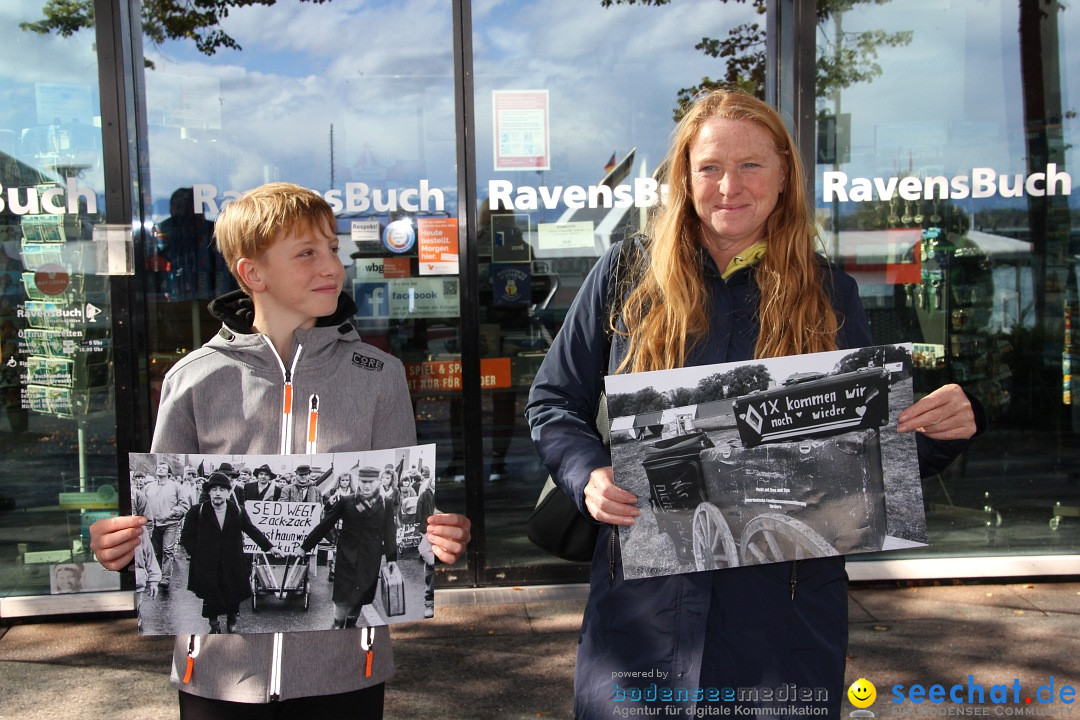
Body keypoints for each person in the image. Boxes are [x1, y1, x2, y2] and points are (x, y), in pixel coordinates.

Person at [525, 88, 985, 720]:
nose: (728, 186)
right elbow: (553, 401)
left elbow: (864, 451)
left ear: (783, 176)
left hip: (784, 605)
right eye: (710, 166)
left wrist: (942, 430)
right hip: (644, 602)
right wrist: (586, 475)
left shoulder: (828, 292)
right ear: (685, 178)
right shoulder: (627, 274)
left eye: (751, 166)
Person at [89, 182, 471, 719]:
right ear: (253, 274)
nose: (331, 266)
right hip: (218, 677)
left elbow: (402, 504)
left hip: (344, 672)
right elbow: (159, 513)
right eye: (307, 253)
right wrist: (120, 543)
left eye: (333, 248)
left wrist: (438, 535)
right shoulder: (195, 380)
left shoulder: (378, 377)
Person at [181, 472, 284, 634]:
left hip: (232, 561)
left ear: (229, 492)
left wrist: (270, 547)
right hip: (207, 563)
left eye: (222, 489)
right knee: (210, 593)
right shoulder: (197, 511)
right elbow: (186, 536)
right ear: (208, 492)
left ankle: (231, 618)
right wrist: (197, 554)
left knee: (232, 592)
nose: (217, 492)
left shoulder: (238, 510)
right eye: (214, 489)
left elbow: (252, 530)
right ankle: (213, 623)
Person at [298, 466, 397, 628]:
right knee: (342, 595)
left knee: (362, 594)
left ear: (377, 482)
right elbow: (324, 525)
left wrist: (392, 558)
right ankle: (337, 623)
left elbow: (389, 532)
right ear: (358, 481)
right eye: (363, 481)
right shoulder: (346, 501)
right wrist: (305, 547)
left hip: (370, 558)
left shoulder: (386, 503)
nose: (366, 486)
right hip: (346, 557)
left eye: (371, 482)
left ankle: (351, 622)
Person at [144, 461, 189, 592]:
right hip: (153, 524)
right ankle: (157, 574)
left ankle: (166, 577)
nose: (161, 469)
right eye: (159, 467)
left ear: (169, 472)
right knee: (156, 551)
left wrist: (171, 513)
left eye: (164, 468)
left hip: (170, 523)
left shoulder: (176, 486)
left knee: (168, 550)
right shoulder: (149, 487)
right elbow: (142, 504)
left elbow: (184, 505)